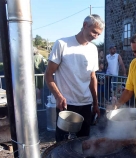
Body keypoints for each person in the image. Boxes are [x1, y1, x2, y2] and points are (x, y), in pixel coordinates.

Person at [45, 14, 104, 142]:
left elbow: (92, 77)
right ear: (84, 25)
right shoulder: (62, 44)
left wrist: (95, 103)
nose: (95, 36)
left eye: (98, 34)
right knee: (62, 143)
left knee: (83, 142)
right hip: (66, 104)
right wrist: (58, 96)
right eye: (94, 32)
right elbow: (48, 75)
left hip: (85, 104)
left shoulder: (93, 49)